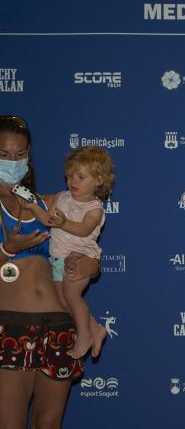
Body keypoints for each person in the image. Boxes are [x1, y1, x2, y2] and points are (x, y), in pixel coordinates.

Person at [0, 115, 101, 429]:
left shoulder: (44, 201)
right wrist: (8, 250)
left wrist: (92, 265)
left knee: (49, 422)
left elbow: (83, 240)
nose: (13, 163)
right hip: (10, 326)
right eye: (4, 155)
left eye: (20, 155)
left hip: (59, 325)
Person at [22, 146, 113, 359]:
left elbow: (84, 229)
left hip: (80, 257)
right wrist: (33, 208)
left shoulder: (94, 208)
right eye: (70, 175)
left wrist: (64, 222)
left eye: (81, 177)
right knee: (61, 299)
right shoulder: (62, 197)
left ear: (98, 180)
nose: (73, 181)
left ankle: (85, 336)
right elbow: (47, 220)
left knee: (71, 294)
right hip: (57, 258)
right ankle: (95, 328)